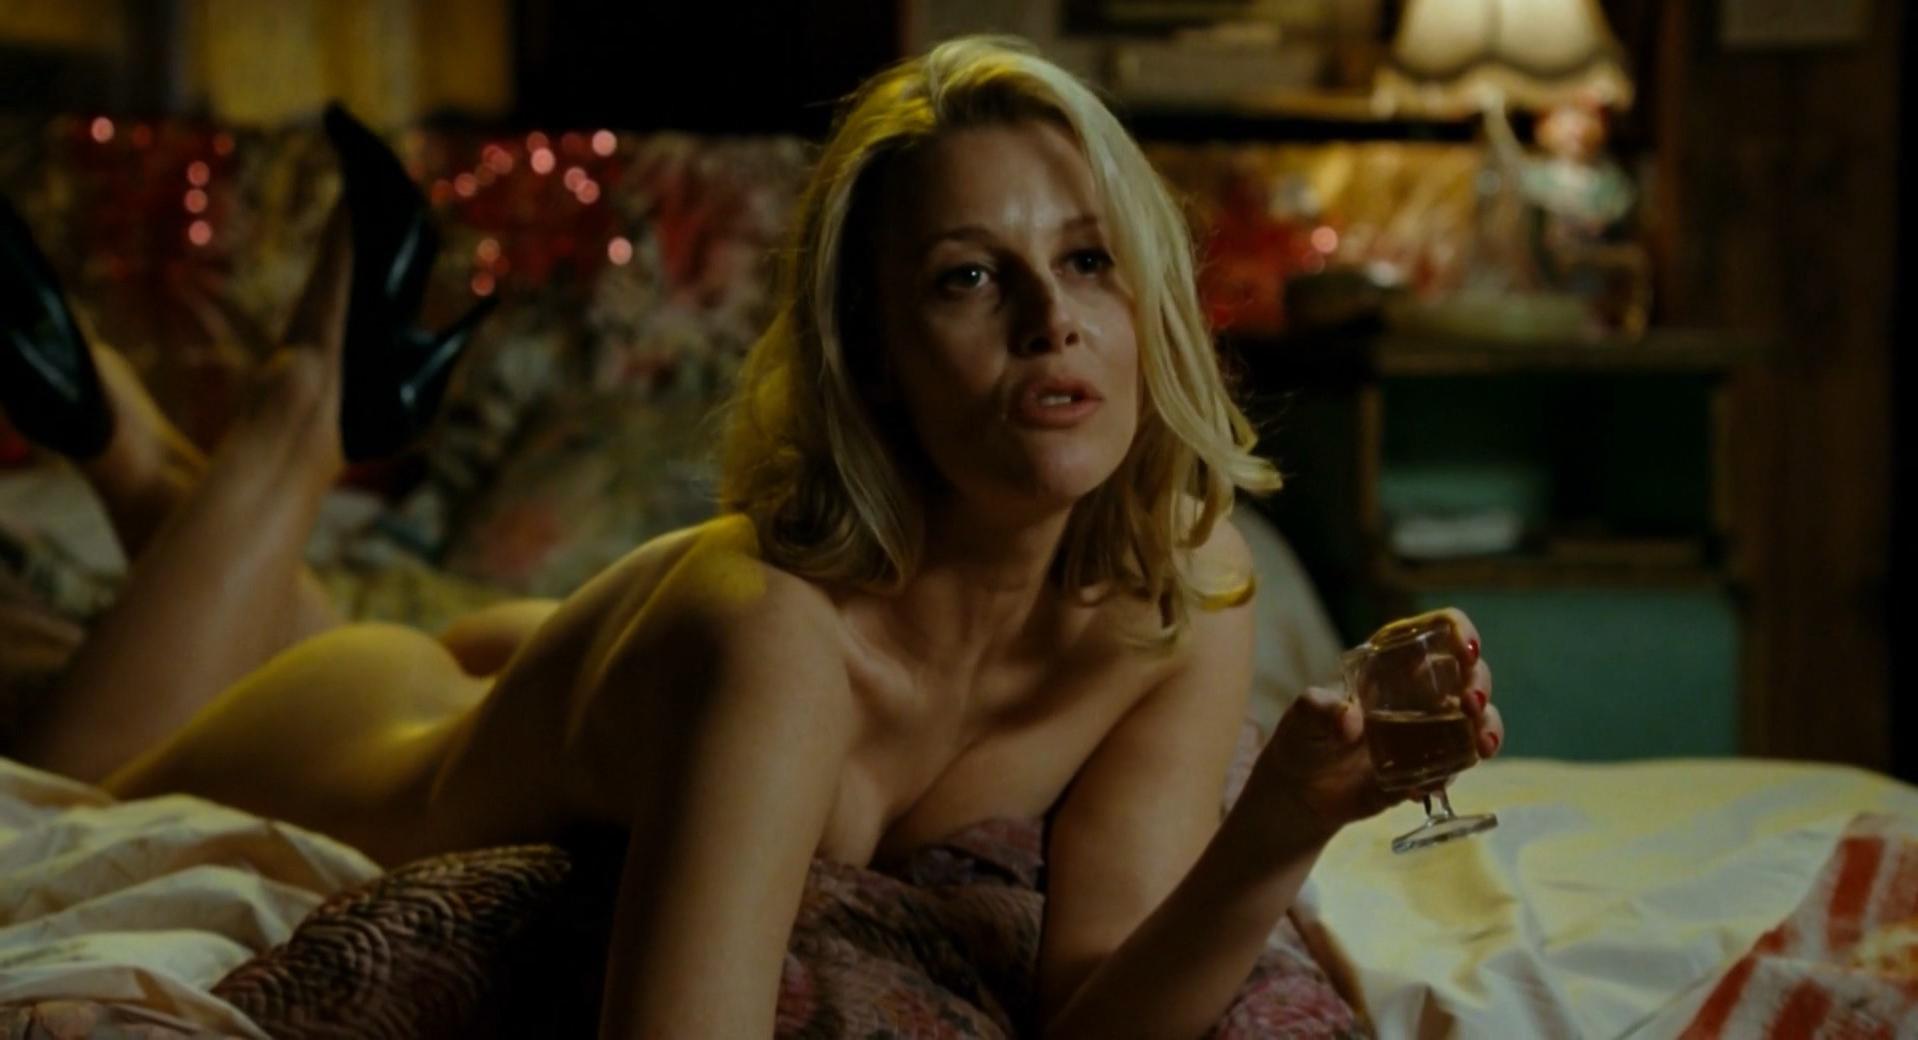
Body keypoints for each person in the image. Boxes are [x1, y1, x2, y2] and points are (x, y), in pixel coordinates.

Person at [2, 37, 1504, 1037]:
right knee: (66, 770)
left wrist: (1282, 821)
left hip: (562, 669)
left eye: (1090, 259)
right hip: (378, 736)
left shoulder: (1177, 585)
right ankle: (291, 414)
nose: (1052, 317)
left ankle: (129, 442)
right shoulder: (780, 642)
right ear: (873, 355)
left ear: (1149, 298)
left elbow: (1097, 1005)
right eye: (969, 277)